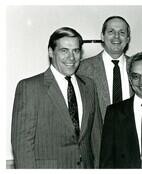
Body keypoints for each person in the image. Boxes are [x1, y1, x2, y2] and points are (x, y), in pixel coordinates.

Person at [11, 27, 102, 168]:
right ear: (51, 52)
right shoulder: (29, 88)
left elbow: (97, 140)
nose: (71, 57)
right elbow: (22, 147)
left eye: (76, 51)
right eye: (64, 51)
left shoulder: (89, 86)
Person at [77, 16, 133, 121]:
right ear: (102, 36)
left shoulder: (137, 67)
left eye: (122, 33)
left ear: (128, 39)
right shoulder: (83, 69)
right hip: (98, 136)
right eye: (111, 31)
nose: (116, 37)